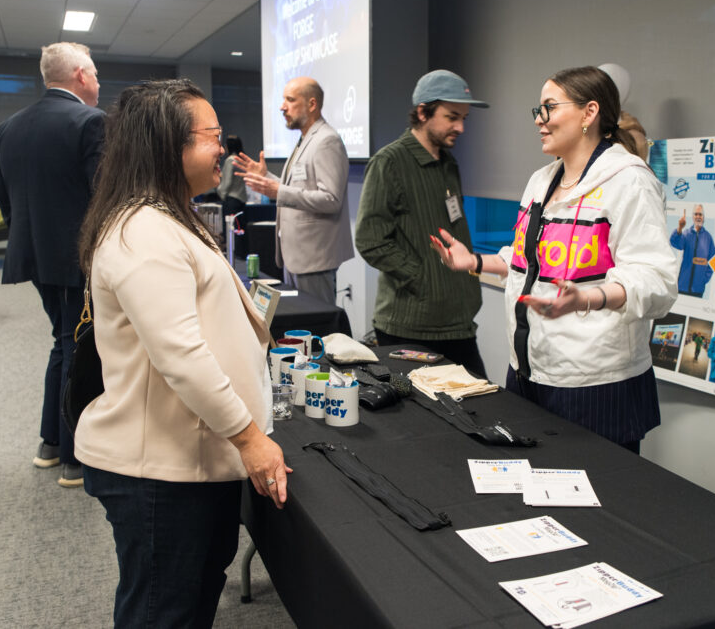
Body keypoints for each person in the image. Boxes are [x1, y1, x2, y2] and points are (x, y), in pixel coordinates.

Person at [74, 79, 290, 626]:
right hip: (160, 475)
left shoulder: (169, 215)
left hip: (188, 461)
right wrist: (249, 438)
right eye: (213, 136)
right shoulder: (144, 231)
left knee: (188, 600)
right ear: (168, 144)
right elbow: (182, 356)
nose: (225, 148)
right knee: (162, 611)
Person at [430, 65, 677, 453]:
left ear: (589, 112)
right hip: (528, 372)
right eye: (538, 110)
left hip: (595, 384)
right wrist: (473, 262)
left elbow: (657, 283)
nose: (539, 120)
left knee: (599, 486)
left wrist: (588, 298)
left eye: (549, 107)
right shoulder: (541, 181)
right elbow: (528, 260)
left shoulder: (630, 181)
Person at [0, 42, 104, 488]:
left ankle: (51, 444)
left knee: (63, 341)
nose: (98, 83)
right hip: (78, 257)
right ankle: (75, 458)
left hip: (34, 255)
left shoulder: (8, 127)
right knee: (80, 346)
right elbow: (103, 196)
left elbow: (4, 200)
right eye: (95, 74)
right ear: (80, 75)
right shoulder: (90, 121)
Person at [356, 69, 490, 376]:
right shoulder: (389, 163)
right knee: (411, 404)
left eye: (464, 118)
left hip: (458, 323)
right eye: (452, 117)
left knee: (478, 398)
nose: (460, 127)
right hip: (409, 327)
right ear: (422, 112)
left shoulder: (449, 163)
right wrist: (422, 277)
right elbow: (370, 240)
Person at [235, 76, 353, 303]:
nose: (282, 107)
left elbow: (331, 199)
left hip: (314, 258)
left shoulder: (327, 141)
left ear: (312, 104)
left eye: (290, 100)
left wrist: (278, 191)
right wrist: (265, 177)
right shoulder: (306, 139)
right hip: (297, 257)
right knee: (304, 319)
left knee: (317, 320)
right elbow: (297, 187)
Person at [670, 204, 715, 297]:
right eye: (696, 214)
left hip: (698, 290)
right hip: (682, 286)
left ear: (704, 217)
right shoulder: (686, 234)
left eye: (700, 214)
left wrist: (703, 279)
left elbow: (713, 260)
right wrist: (680, 228)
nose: (698, 216)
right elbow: (675, 243)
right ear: (693, 217)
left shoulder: (708, 238)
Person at [217, 135, 249, 220]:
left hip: (232, 200)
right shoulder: (242, 160)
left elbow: (227, 182)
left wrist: (221, 193)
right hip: (241, 199)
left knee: (230, 226)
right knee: (239, 226)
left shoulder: (230, 160)